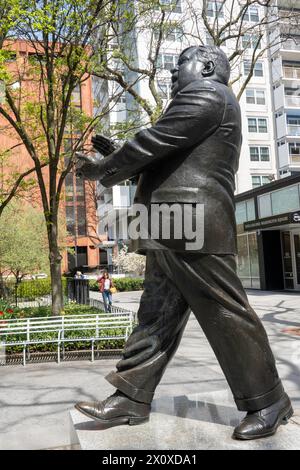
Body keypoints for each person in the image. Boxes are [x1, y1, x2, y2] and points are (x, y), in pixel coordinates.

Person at [74, 45, 293, 440]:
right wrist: (122, 157)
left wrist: (106, 167)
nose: (174, 75)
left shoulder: (209, 94)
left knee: (225, 314)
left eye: (180, 65)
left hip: (194, 225)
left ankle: (269, 401)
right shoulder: (200, 104)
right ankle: (131, 397)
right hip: (170, 226)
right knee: (156, 315)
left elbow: (155, 142)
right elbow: (165, 154)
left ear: (207, 66)